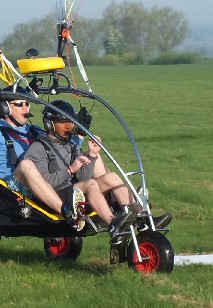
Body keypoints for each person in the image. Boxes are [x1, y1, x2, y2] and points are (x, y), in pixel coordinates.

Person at [16, 100, 170, 236]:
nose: (68, 127)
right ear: (50, 124)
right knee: (91, 184)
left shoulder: (71, 145)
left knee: (111, 177)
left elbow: (82, 178)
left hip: (76, 192)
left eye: (71, 123)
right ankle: (113, 223)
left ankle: (143, 218)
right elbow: (45, 184)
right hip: (57, 196)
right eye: (63, 123)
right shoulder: (38, 148)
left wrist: (92, 155)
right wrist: (71, 169)